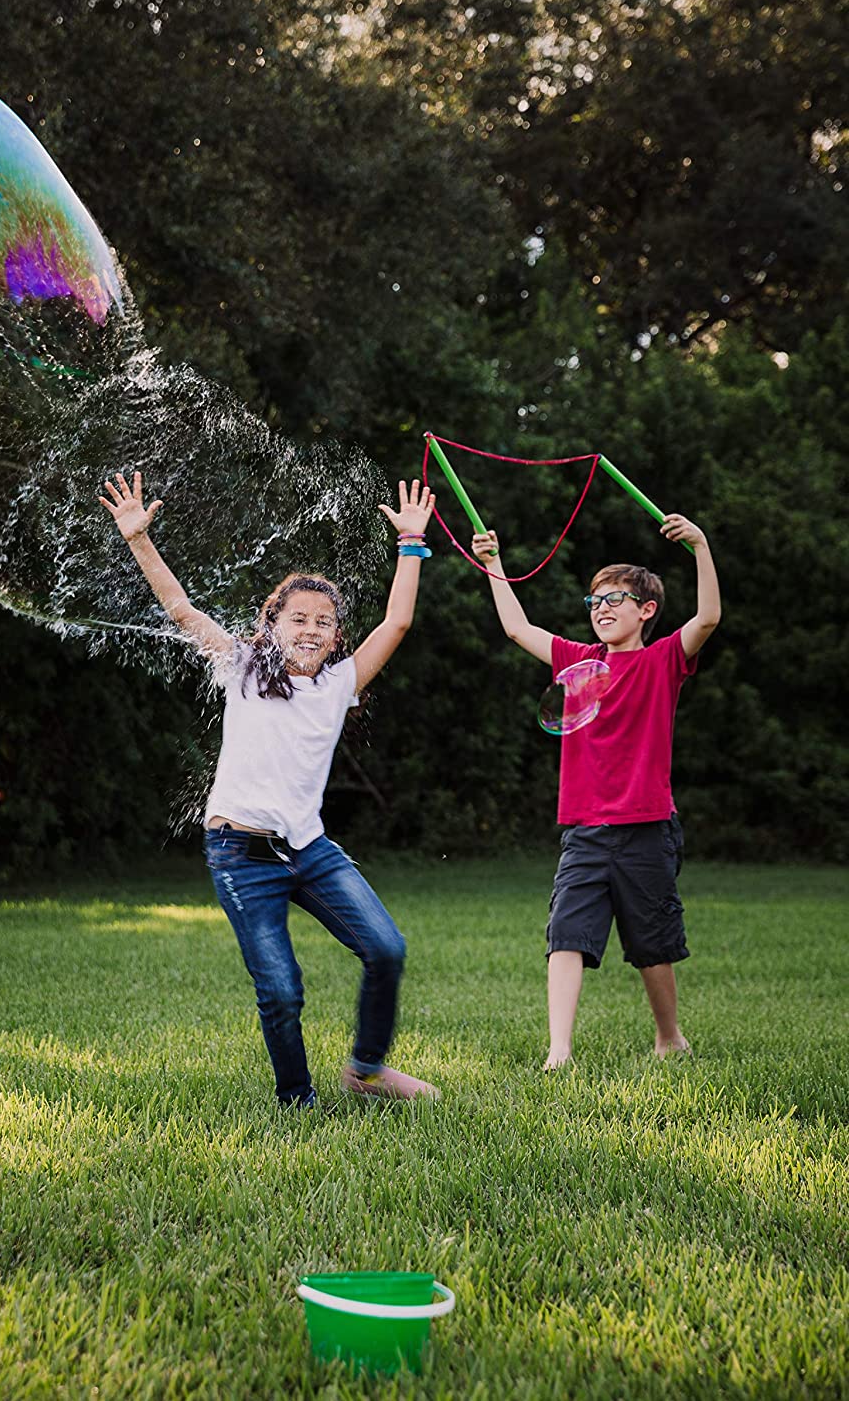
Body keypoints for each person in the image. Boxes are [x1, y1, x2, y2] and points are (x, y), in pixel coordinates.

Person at [102, 470, 440, 1108]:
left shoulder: (340, 684)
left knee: (386, 948)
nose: (311, 629)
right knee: (282, 990)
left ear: (337, 638)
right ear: (273, 624)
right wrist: (140, 540)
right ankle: (297, 1100)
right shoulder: (243, 669)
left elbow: (396, 623)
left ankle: (365, 1070)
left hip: (309, 849)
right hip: (240, 854)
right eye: (298, 618)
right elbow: (182, 611)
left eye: (324, 622)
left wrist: (412, 544)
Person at [472, 513, 721, 1068]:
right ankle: (559, 1051)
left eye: (615, 599)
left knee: (653, 944)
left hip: (647, 827)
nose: (602, 608)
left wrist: (700, 546)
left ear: (647, 610)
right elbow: (518, 629)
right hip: (584, 829)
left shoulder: (663, 661)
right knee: (567, 933)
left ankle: (669, 1036)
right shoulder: (580, 661)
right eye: (595, 602)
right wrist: (494, 566)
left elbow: (709, 616)